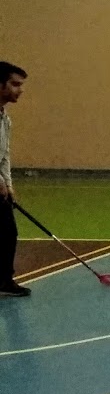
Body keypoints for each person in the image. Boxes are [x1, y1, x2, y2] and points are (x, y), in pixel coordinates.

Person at [0, 62, 29, 297]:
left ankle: (4, 280)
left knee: (8, 232)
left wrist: (8, 184)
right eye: (15, 84)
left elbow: (4, 155)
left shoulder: (5, 119)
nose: (20, 90)